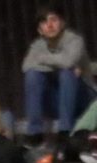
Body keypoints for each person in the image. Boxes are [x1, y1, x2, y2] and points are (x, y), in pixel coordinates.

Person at [22, 3, 93, 146]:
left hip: (83, 100)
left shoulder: (74, 40)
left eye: (53, 20)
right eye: (44, 22)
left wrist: (42, 59)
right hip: (56, 101)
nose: (49, 25)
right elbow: (26, 66)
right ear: (39, 29)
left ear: (62, 23)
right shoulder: (37, 45)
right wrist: (58, 63)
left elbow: (67, 62)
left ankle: (65, 130)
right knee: (32, 75)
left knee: (67, 74)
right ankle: (35, 132)